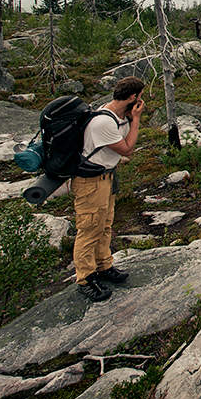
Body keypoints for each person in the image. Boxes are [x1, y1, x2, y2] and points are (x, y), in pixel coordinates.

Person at [73, 76, 144, 302]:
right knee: (89, 228)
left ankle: (104, 266)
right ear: (132, 98)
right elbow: (127, 149)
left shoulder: (117, 116)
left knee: (104, 224)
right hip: (90, 182)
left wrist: (130, 117)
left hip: (106, 177)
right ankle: (85, 278)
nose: (141, 101)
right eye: (139, 97)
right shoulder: (104, 122)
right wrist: (136, 120)